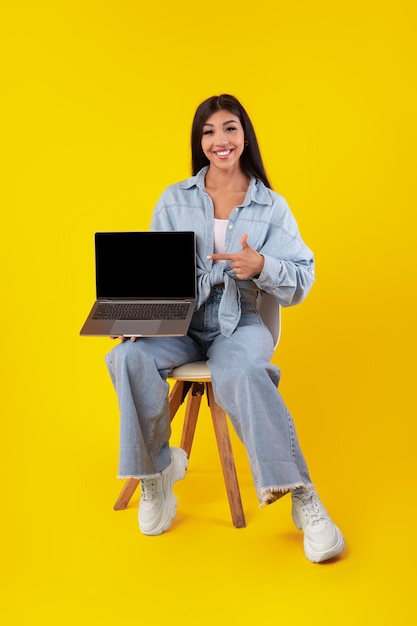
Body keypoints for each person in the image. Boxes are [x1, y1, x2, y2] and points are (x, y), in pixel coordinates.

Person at [105, 94, 345, 563]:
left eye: (229, 128)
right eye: (209, 131)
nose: (220, 140)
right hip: (179, 322)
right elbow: (152, 273)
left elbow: (303, 277)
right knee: (126, 355)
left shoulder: (270, 205)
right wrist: (134, 318)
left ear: (244, 135)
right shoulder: (174, 199)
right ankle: (157, 475)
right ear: (200, 141)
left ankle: (303, 497)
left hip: (241, 321)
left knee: (242, 373)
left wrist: (262, 265)